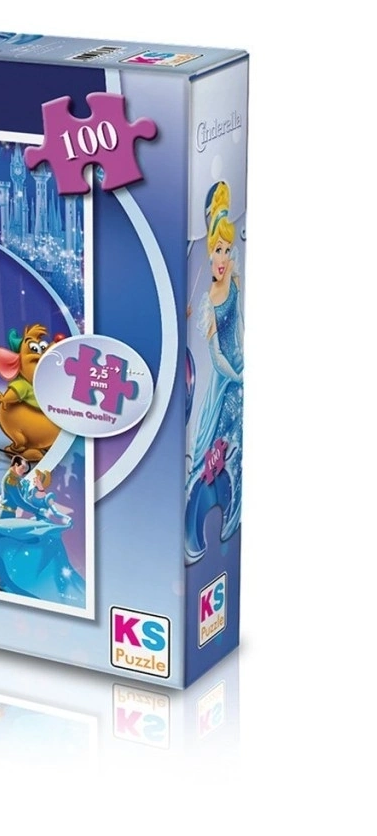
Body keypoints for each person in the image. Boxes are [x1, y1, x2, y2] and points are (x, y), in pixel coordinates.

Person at [185, 181, 244, 561]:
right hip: (226, 384)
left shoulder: (234, 283)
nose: (221, 257)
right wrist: (237, 376)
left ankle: (231, 516)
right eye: (216, 250)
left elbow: (239, 329)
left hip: (240, 373)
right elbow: (216, 353)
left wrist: (246, 361)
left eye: (226, 249)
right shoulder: (208, 302)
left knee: (238, 448)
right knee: (219, 445)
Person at [0, 464, 84, 604]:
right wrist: (23, 489)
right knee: (11, 540)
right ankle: (0, 575)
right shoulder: (31, 492)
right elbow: (22, 501)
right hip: (32, 522)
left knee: (30, 546)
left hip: (41, 524)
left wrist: (66, 519)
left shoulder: (47, 497)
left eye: (38, 478)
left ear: (42, 481)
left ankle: (14, 577)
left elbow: (55, 511)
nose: (35, 479)